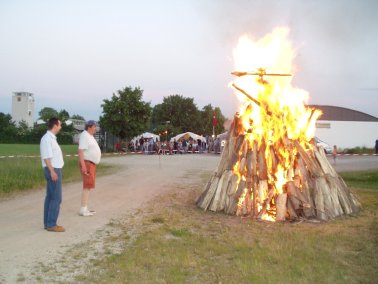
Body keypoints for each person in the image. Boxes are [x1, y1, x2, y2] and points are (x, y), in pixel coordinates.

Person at [40, 117, 65, 232]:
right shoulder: (47, 139)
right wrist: (52, 171)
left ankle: (48, 223)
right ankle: (51, 224)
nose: (60, 127)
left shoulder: (51, 138)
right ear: (55, 126)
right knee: (56, 198)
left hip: (54, 169)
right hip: (53, 169)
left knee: (50, 197)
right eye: (59, 125)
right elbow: (46, 157)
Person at [78, 120, 102, 216]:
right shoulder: (85, 135)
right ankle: (83, 210)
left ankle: (85, 208)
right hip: (87, 163)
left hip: (91, 163)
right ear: (89, 127)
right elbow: (80, 151)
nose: (96, 128)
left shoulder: (89, 136)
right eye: (94, 126)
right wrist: (83, 165)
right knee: (87, 186)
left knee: (89, 186)